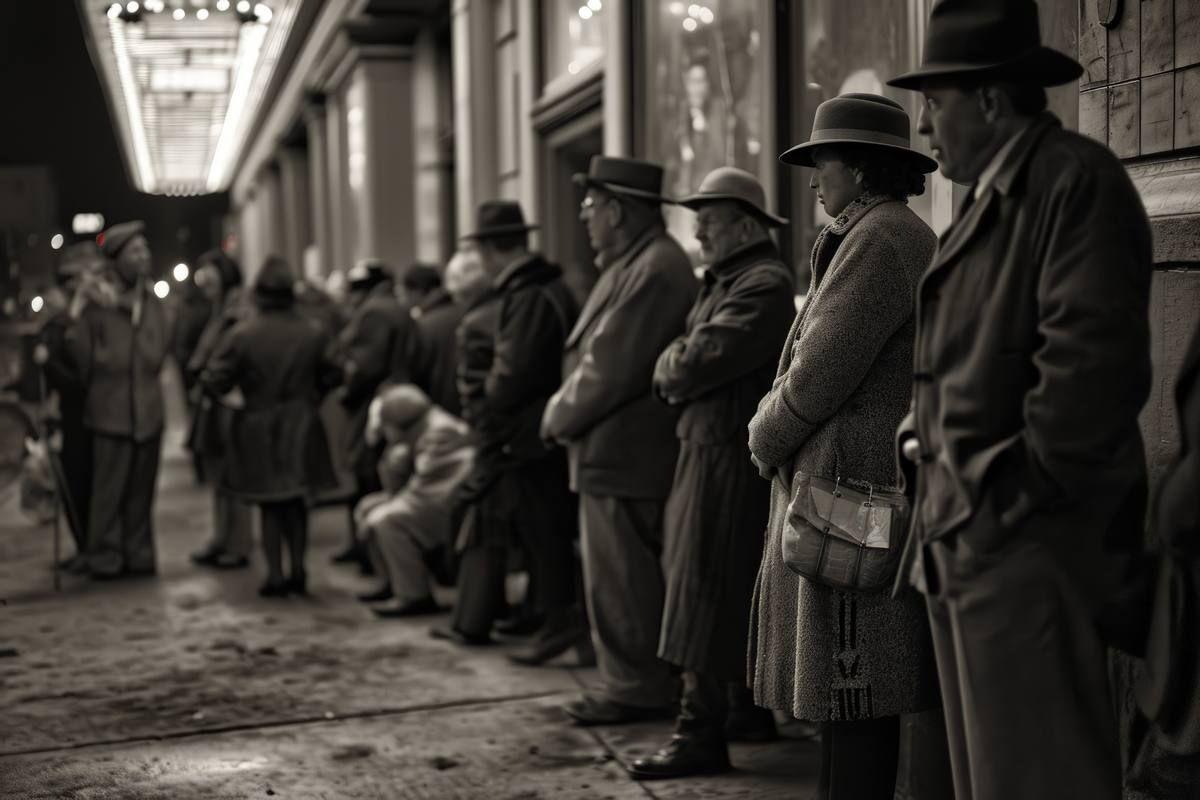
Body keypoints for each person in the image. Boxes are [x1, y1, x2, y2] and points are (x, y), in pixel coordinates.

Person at [883, 2, 1154, 798]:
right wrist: (920, 442)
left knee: (1039, 778)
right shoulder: (994, 193)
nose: (924, 127)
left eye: (936, 103)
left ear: (993, 101)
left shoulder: (1073, 184)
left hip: (1025, 552)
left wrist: (990, 499)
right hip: (972, 539)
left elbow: (1082, 392)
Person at [746, 94, 941, 799]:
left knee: (855, 691)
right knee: (848, 700)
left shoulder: (881, 238)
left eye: (822, 162)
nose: (814, 178)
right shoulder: (872, 231)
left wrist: (763, 435)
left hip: (854, 495)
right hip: (850, 491)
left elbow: (818, 373)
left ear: (859, 168)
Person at [629, 168, 795, 779]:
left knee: (703, 588)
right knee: (714, 584)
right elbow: (685, 356)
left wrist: (673, 363)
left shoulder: (761, 282)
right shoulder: (734, 278)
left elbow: (690, 361)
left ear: (745, 225)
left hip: (725, 452)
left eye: (709, 220)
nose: (697, 232)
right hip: (709, 445)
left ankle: (699, 731)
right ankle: (742, 712)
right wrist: (677, 361)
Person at [541, 157, 697, 725]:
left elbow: (608, 366)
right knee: (617, 577)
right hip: (616, 456)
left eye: (591, 206)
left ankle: (638, 686)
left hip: (628, 456)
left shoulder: (654, 268)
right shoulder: (635, 263)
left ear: (618, 210)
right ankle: (633, 679)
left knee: (625, 580)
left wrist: (556, 415)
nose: (584, 217)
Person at [432, 202, 582, 653]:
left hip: (529, 437)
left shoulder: (529, 292)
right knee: (539, 531)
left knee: (544, 532)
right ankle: (545, 615)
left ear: (490, 250)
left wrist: (490, 400)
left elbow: (511, 374)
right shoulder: (540, 287)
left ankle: (559, 621)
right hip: (538, 431)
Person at [200, 256, 341, 597]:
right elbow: (335, 372)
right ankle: (298, 569)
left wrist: (237, 399)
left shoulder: (243, 334)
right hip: (302, 422)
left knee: (270, 503)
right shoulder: (313, 332)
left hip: (258, 424)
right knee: (296, 502)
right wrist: (313, 397)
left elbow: (213, 378)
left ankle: (275, 573)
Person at [65, 221, 169, 579]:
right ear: (117, 259)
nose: (144, 256)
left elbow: (160, 348)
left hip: (148, 409)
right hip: (110, 409)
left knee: (142, 491)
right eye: (135, 251)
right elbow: (83, 358)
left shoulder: (151, 299)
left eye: (145, 249)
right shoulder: (96, 304)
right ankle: (105, 556)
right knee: (108, 492)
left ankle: (138, 553)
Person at [354, 384, 475, 617]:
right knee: (368, 508)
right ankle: (393, 581)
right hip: (433, 499)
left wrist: (390, 502)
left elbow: (429, 489)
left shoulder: (439, 432)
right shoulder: (421, 430)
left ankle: (413, 594)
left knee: (385, 521)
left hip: (448, 506)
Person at [334, 259, 416, 568]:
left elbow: (364, 365)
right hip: (391, 401)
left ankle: (371, 553)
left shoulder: (374, 312)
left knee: (368, 476)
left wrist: (346, 390)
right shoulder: (392, 307)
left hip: (373, 405)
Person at [33, 244, 104, 568]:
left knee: (83, 484)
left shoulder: (79, 323)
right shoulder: (57, 325)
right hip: (68, 416)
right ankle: (83, 548)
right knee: (72, 486)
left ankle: (90, 549)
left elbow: (77, 379)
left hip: (83, 417)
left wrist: (48, 364)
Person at [186, 250, 255, 570]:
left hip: (231, 401)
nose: (205, 284)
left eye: (210, 277)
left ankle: (237, 543)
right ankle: (223, 537)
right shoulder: (219, 310)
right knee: (219, 474)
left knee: (234, 474)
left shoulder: (236, 313)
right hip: (216, 400)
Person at [405, 263, 463, 415]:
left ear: (416, 292)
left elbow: (414, 373)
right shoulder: (466, 314)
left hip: (439, 411)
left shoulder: (421, 326)